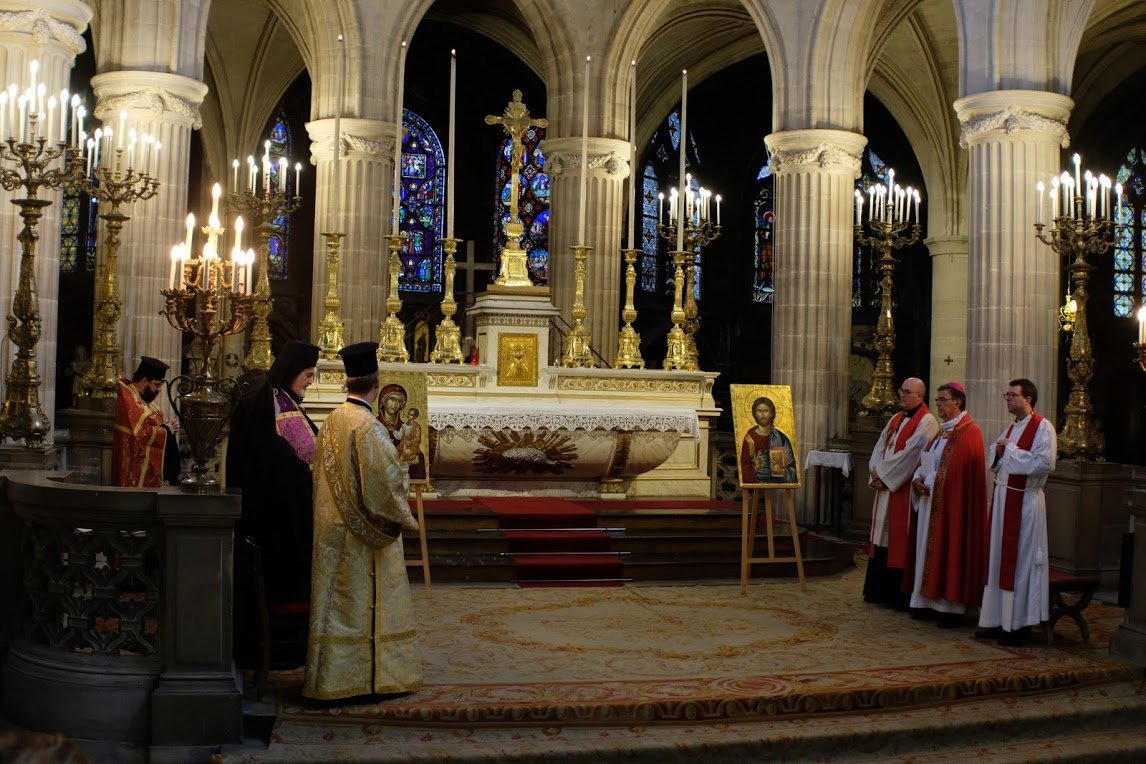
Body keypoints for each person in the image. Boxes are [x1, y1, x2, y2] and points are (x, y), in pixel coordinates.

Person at [303, 342, 422, 701]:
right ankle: (373, 680)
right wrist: (403, 470)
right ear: (377, 383)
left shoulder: (333, 420)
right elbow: (384, 488)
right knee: (364, 603)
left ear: (347, 380)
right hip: (364, 539)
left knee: (334, 605)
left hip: (329, 529)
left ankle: (331, 680)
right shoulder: (368, 427)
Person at [227, 341, 320, 607]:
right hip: (280, 515)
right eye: (308, 375)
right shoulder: (279, 405)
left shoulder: (286, 400)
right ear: (293, 372)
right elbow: (294, 462)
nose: (310, 382)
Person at [976, 378, 1057, 647]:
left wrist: (1008, 450)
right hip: (1004, 500)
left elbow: (1045, 464)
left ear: (1028, 399)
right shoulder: (1013, 426)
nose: (1007, 399)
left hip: (1024, 504)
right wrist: (1000, 452)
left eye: (1012, 395)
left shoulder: (1043, 427)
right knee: (999, 560)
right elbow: (997, 458)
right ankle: (997, 620)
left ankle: (1018, 625)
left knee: (1020, 563)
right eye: (1006, 395)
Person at [907, 381, 988, 627]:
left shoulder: (968, 432)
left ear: (957, 401)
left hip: (951, 508)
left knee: (950, 549)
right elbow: (930, 460)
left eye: (942, 399)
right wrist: (917, 478)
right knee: (926, 550)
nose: (938, 404)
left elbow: (955, 472)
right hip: (931, 500)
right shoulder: (943, 430)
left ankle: (949, 606)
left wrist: (928, 481)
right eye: (937, 400)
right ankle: (925, 601)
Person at [863, 377, 939, 606]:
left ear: (920, 396)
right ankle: (876, 591)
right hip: (885, 485)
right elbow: (880, 446)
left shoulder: (927, 421)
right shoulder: (896, 418)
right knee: (880, 540)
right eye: (901, 391)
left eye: (907, 392)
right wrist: (875, 472)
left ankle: (896, 595)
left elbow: (911, 455)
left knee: (897, 541)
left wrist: (884, 477)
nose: (902, 396)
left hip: (902, 490)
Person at [112, 356, 180, 488]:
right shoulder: (129, 400)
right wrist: (166, 430)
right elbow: (143, 434)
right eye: (156, 384)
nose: (159, 389)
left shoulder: (136, 397)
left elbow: (150, 420)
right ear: (144, 381)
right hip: (133, 469)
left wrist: (165, 426)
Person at [739, 395, 796, 484]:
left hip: (778, 480)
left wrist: (783, 471)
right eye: (759, 411)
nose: (762, 414)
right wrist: (756, 467)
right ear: (755, 414)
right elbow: (742, 467)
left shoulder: (781, 438)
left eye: (766, 411)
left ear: (771, 414)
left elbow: (792, 467)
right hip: (757, 480)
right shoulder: (749, 439)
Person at [398, 406, 427, 481]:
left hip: (413, 447)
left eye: (411, 414)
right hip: (402, 445)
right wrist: (395, 433)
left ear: (415, 417)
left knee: (405, 454)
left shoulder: (417, 426)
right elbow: (400, 435)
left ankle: (401, 471)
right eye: (408, 414)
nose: (409, 416)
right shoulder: (404, 425)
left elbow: (418, 439)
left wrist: (409, 443)